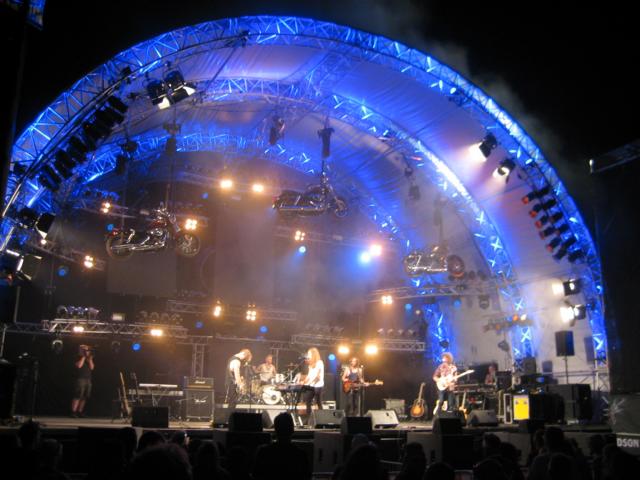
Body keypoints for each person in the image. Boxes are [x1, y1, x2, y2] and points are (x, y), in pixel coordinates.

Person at [253, 412, 311, 480]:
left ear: (275, 431)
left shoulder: (263, 453)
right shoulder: (301, 455)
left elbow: (256, 475)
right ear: (292, 430)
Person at [71, 344, 94, 417]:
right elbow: (79, 366)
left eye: (88, 350)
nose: (87, 351)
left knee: (85, 397)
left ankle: (80, 412)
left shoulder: (88, 358)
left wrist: (90, 359)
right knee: (78, 396)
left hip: (88, 379)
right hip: (80, 379)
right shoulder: (77, 357)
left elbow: (92, 368)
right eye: (85, 350)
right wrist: (83, 357)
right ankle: (73, 412)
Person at [302, 347, 324, 419]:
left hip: (318, 386)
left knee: (318, 402)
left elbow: (318, 376)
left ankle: (322, 418)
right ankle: (309, 419)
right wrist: (304, 381)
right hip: (311, 385)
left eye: (309, 353)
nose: (308, 355)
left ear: (313, 354)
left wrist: (310, 382)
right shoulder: (311, 364)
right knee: (308, 401)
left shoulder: (319, 362)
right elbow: (309, 375)